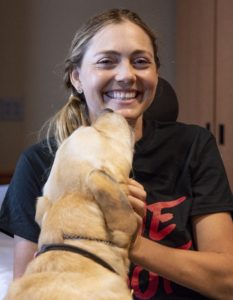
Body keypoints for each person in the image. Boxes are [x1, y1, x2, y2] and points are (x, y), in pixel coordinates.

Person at [0, 8, 233, 299]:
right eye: (107, 62)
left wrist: (132, 242)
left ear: (156, 74)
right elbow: (31, 288)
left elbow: (227, 281)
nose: (126, 75)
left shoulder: (193, 145)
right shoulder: (42, 164)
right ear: (77, 77)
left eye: (140, 62)